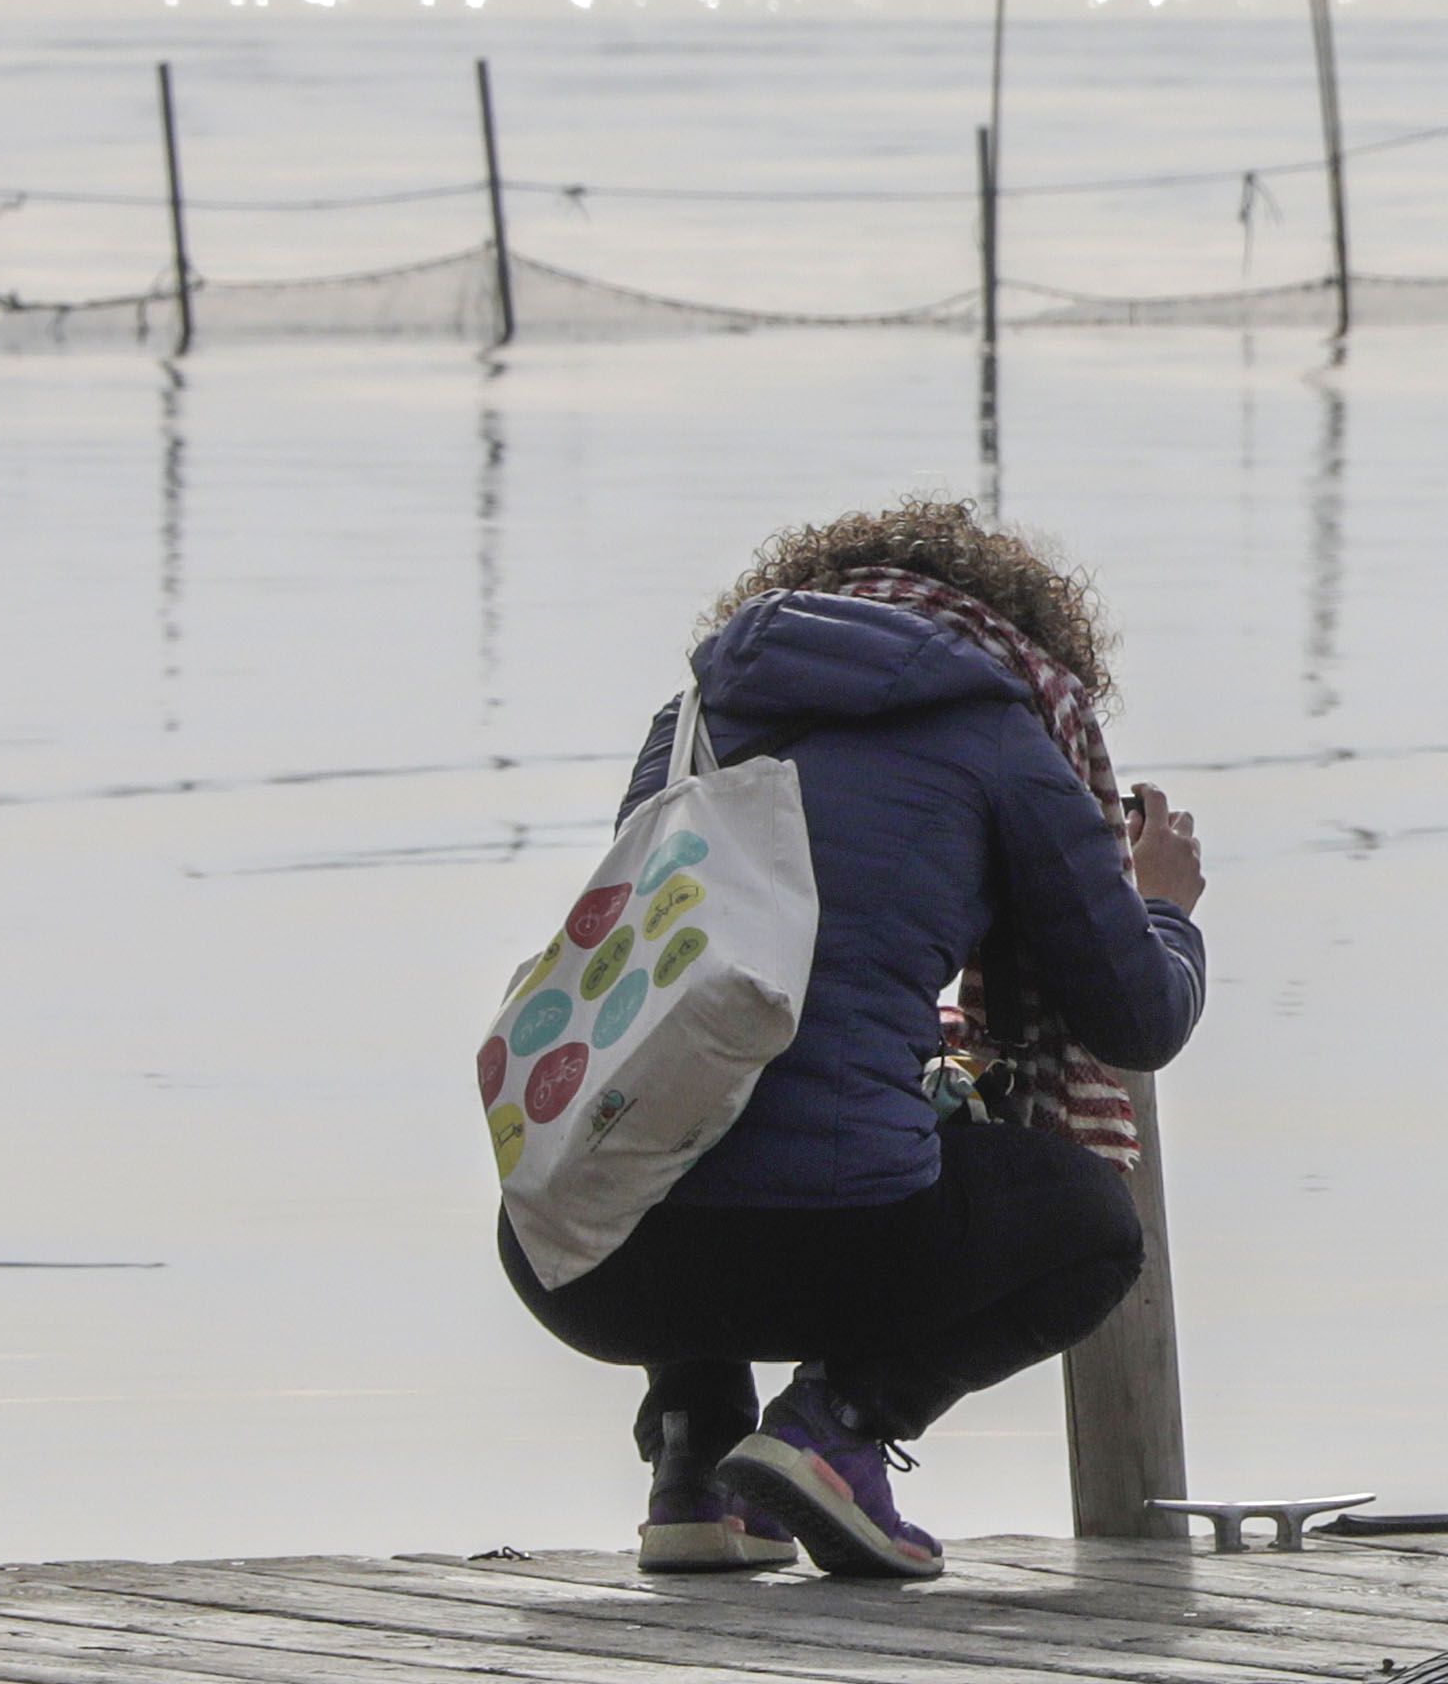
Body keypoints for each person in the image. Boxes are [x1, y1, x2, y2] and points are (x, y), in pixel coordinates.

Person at [503, 498, 1209, 1583]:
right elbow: (1138, 1018)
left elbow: (687, 988)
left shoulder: (692, 718)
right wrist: (1158, 904)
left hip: (579, 1259)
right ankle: (836, 1425)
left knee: (685, 1092)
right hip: (843, 1242)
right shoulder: (998, 729)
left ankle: (694, 1459)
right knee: (1091, 1224)